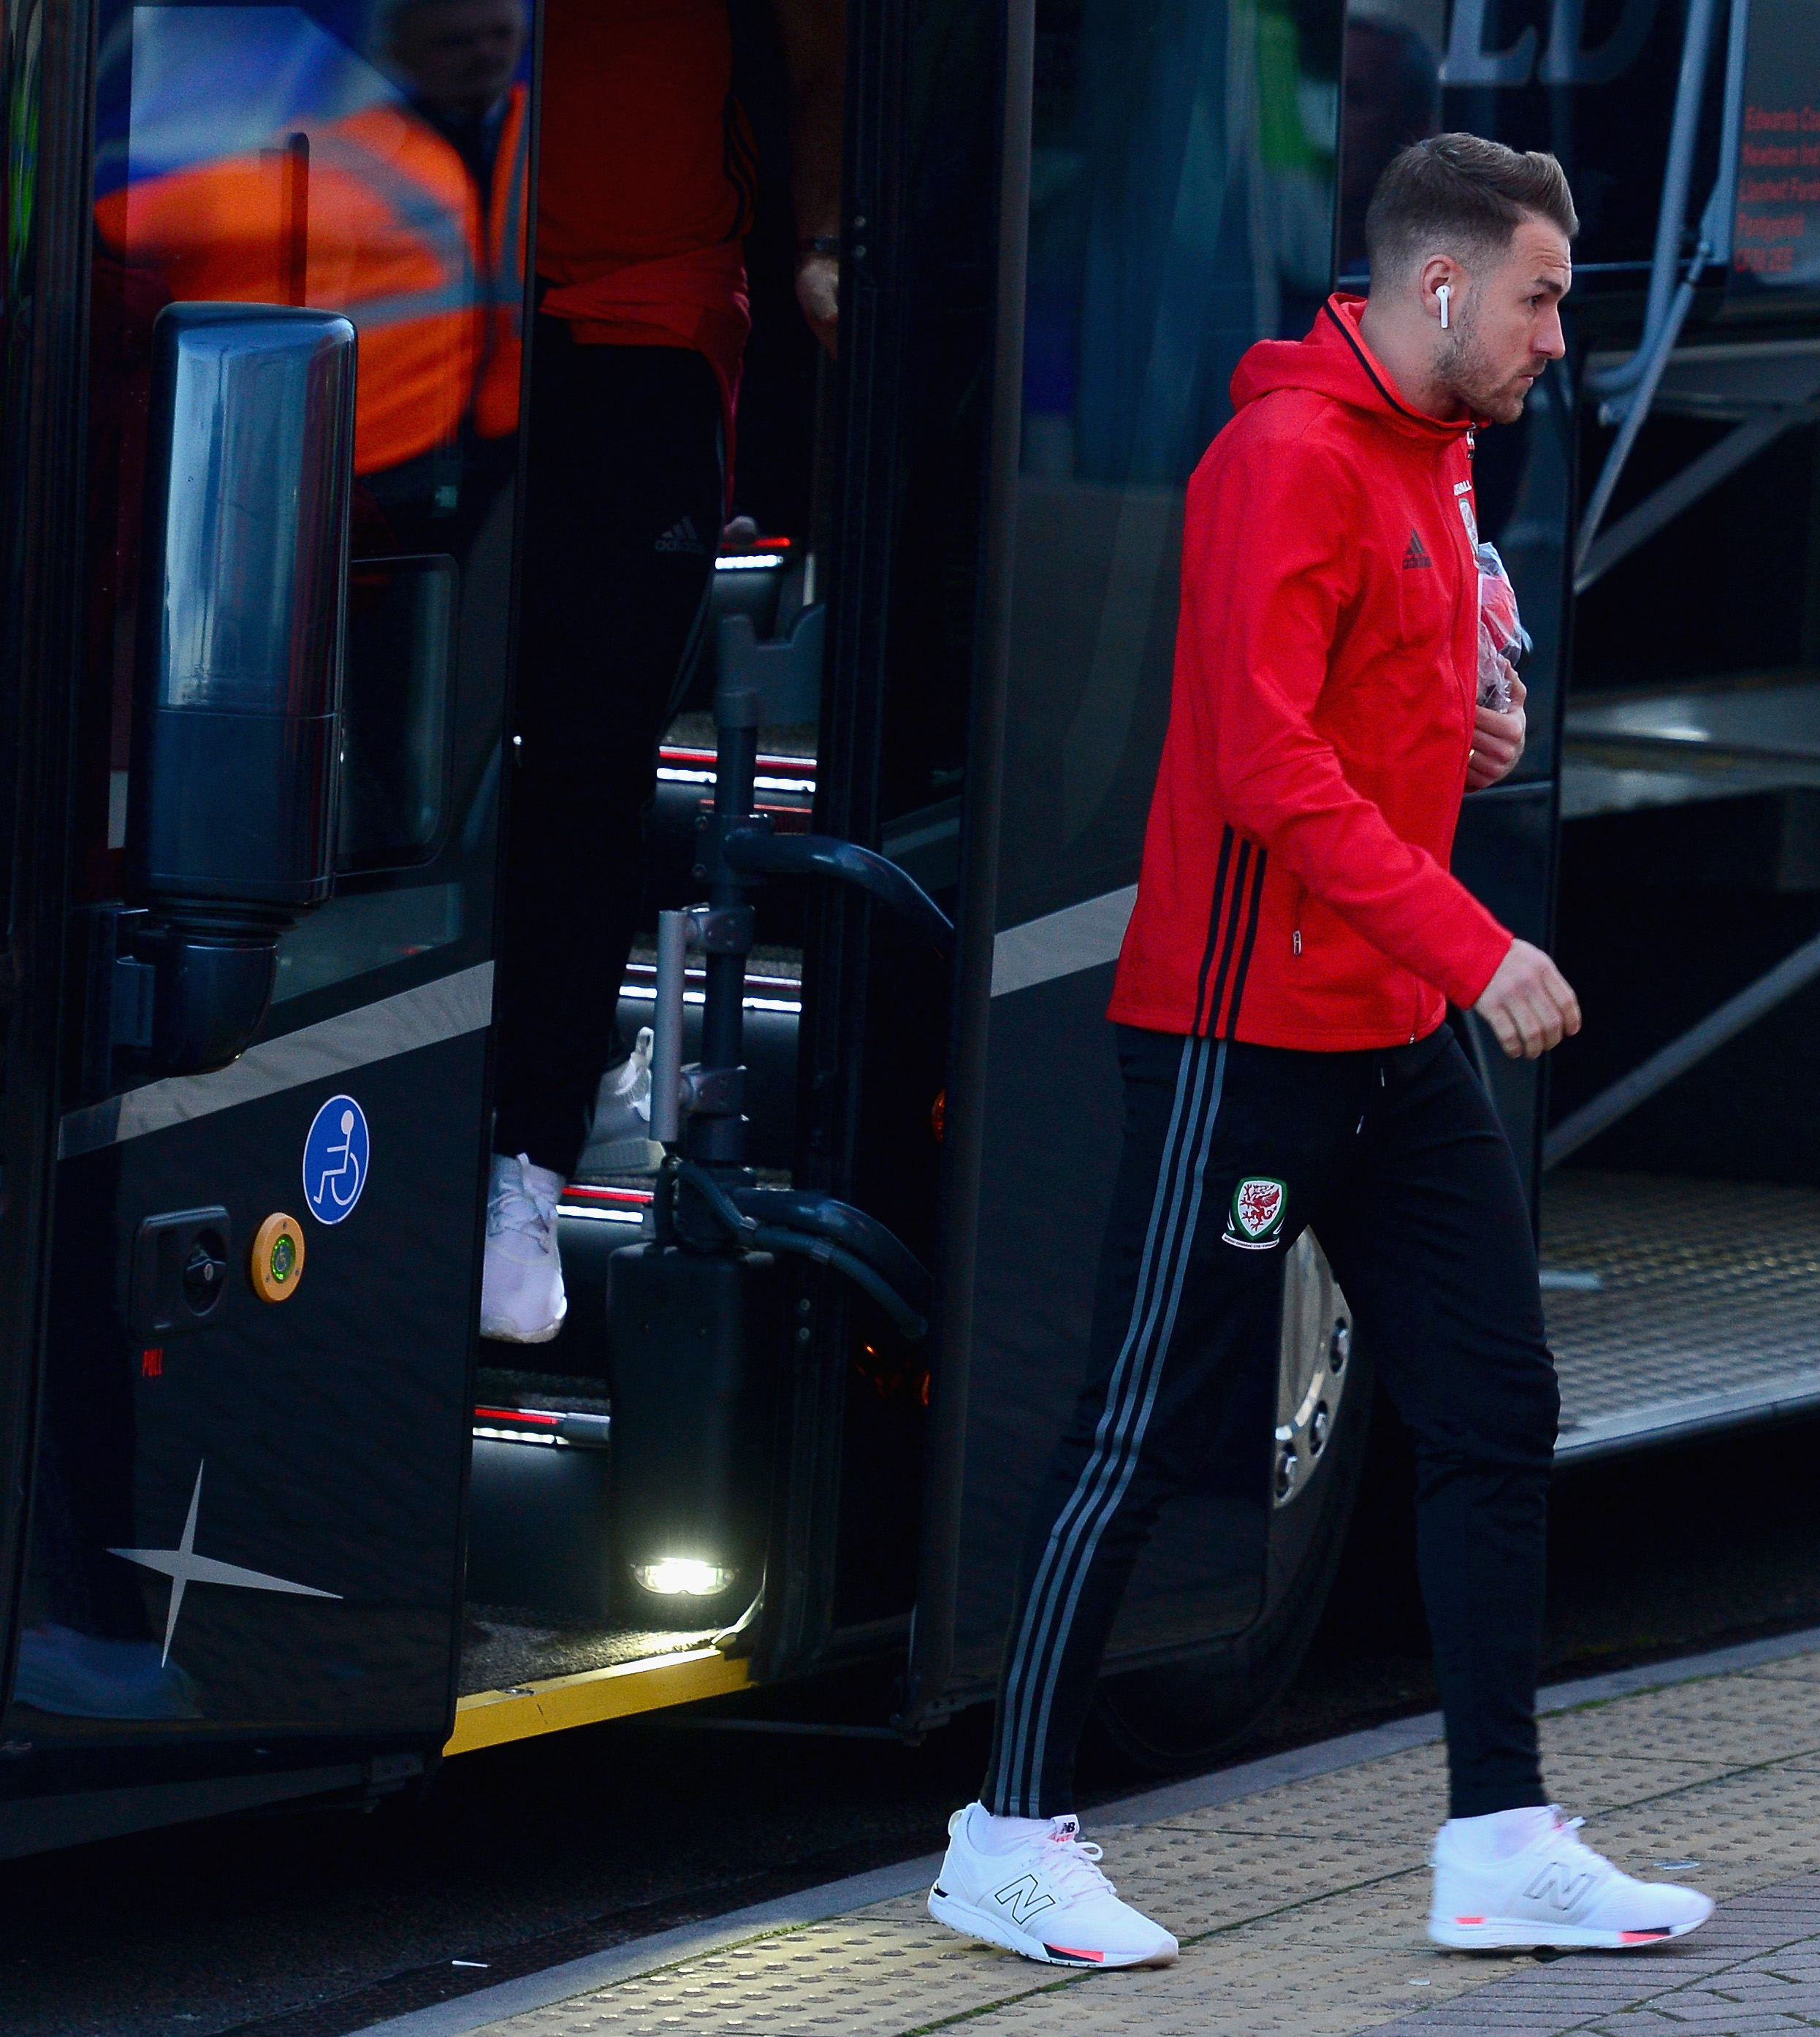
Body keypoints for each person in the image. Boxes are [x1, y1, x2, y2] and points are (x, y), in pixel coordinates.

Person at [923, 134, 1716, 1969]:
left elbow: (1384, 706)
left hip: (1380, 1027)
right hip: (1241, 1032)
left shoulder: (1437, 462)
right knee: (1140, 1427)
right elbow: (1271, 767)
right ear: (1438, 286)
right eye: (1539, 298)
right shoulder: (1281, 459)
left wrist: (1473, 728)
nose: (1556, 341)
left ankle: (1502, 1837)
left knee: (1494, 1401)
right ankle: (1001, 1834)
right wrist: (1476, 941)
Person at [478, 0, 844, 1342]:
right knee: (421, 763)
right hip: (435, 300)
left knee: (583, 758)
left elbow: (820, 52)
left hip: (643, 332)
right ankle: (550, 1081)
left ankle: (531, 1162)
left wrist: (818, 240)